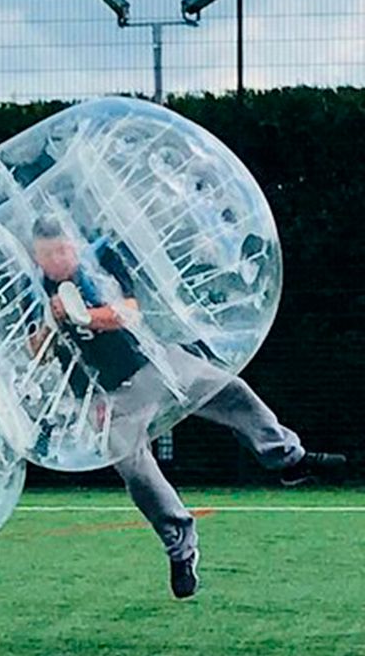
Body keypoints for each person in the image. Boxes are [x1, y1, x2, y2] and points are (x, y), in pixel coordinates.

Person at [29, 215, 347, 599]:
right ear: (37, 255)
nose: (59, 259)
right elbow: (36, 354)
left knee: (231, 389)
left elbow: (129, 312)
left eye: (63, 249)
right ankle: (180, 549)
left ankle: (288, 459)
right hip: (109, 398)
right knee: (136, 470)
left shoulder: (100, 265)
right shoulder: (33, 291)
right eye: (49, 253)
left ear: (73, 246)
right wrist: (49, 323)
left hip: (155, 366)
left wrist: (82, 315)